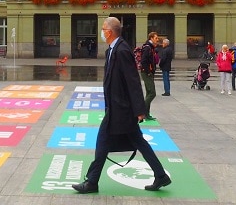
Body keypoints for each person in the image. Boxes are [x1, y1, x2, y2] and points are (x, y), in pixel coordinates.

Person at [72, 17, 172, 194]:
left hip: (122, 109)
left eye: (103, 29)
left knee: (103, 141)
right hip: (116, 108)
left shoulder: (122, 50)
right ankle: (160, 175)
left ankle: (92, 182)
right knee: (134, 142)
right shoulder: (112, 50)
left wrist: (139, 110)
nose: (102, 32)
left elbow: (132, 80)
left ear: (109, 32)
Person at [140, 32, 159, 120]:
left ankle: (147, 114)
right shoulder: (147, 48)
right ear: (151, 38)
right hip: (146, 72)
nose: (157, 39)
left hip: (148, 72)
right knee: (152, 93)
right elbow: (143, 61)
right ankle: (142, 111)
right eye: (156, 38)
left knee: (149, 92)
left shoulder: (150, 47)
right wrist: (148, 72)